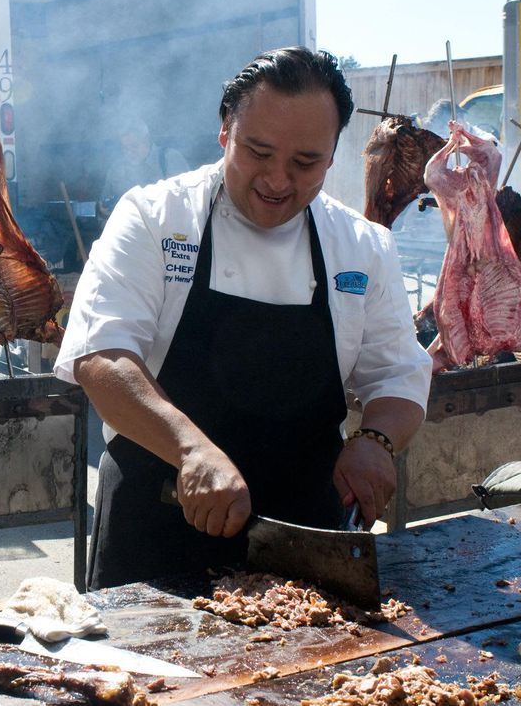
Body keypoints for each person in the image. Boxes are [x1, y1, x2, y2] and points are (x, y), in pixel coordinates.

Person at [55, 47, 432, 590]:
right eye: (258, 152)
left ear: (331, 157)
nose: (278, 180)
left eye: (305, 163)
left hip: (305, 540)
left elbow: (397, 373)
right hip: (156, 529)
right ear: (225, 131)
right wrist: (191, 450)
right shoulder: (155, 217)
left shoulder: (362, 246)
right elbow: (102, 356)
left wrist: (376, 440)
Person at [98, 119, 189, 217]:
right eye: (124, 148)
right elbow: (104, 203)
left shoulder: (170, 159)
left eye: (134, 146)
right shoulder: (116, 168)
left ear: (147, 140)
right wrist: (104, 213)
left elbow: (186, 201)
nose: (129, 152)